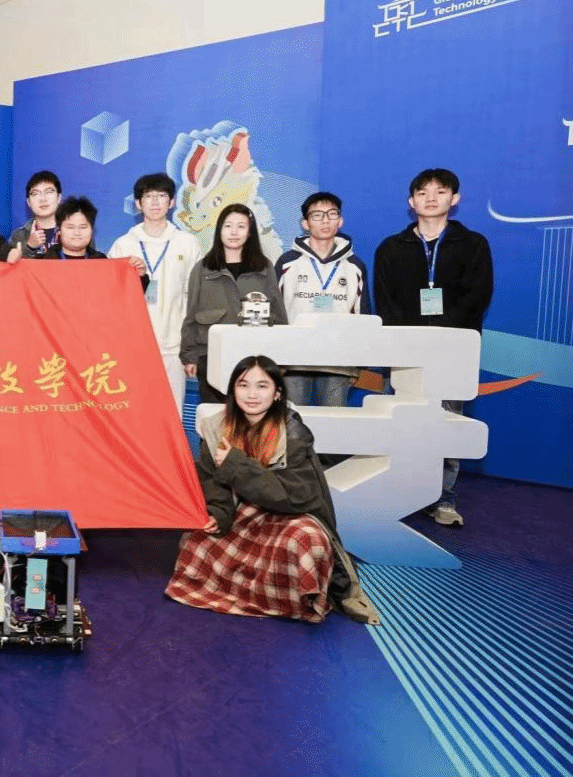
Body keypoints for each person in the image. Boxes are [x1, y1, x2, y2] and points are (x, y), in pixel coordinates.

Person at [165, 355, 378, 624]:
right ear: (232, 390)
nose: (252, 394)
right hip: (242, 512)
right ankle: (249, 592)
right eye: (243, 385)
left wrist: (236, 465)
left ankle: (278, 598)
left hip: (287, 515)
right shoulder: (217, 427)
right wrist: (218, 514)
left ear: (277, 393)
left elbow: (292, 496)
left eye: (262, 386)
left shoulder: (292, 432)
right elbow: (212, 483)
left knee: (308, 541)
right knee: (196, 541)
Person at [373, 168, 493, 527]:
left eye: (440, 191)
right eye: (422, 192)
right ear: (411, 202)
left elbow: (477, 296)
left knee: (447, 425)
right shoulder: (392, 247)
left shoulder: (473, 245)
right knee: (401, 423)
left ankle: (443, 498)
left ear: (454, 199)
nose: (430, 198)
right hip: (405, 355)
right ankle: (397, 493)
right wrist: (410, 343)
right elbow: (386, 302)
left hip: (452, 353)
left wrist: (440, 338)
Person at [107, 173, 202, 415]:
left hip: (174, 345)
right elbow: (108, 296)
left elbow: (196, 299)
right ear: (138, 203)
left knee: (172, 413)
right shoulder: (123, 245)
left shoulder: (188, 243)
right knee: (135, 413)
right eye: (149, 196)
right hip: (132, 345)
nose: (156, 202)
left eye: (161, 196)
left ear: (172, 202)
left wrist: (192, 348)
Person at [181, 203, 287, 403]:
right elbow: (191, 315)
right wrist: (189, 356)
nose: (234, 232)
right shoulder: (203, 269)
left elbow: (279, 315)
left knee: (252, 414)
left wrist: (281, 356)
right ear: (219, 231)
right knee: (215, 415)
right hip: (211, 356)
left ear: (250, 232)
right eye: (228, 226)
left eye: (241, 226)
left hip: (256, 356)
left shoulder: (264, 268)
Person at [274, 192, 370, 407]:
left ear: (340, 221)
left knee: (335, 422)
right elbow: (275, 311)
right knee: (293, 421)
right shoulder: (287, 263)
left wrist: (357, 364)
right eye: (317, 215)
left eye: (331, 214)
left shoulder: (354, 266)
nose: (325, 220)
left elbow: (362, 314)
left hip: (338, 361)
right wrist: (275, 357)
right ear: (305, 223)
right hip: (293, 361)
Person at [40, 196, 112, 261]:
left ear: (92, 230)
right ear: (59, 230)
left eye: (83, 227)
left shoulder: (103, 262)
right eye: (70, 227)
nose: (77, 232)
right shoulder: (43, 262)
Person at [10, 170, 62, 258]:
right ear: (29, 202)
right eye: (36, 193)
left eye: (49, 192)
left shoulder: (73, 230)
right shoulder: (19, 236)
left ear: (59, 197)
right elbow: (13, 265)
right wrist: (29, 247)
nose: (43, 199)